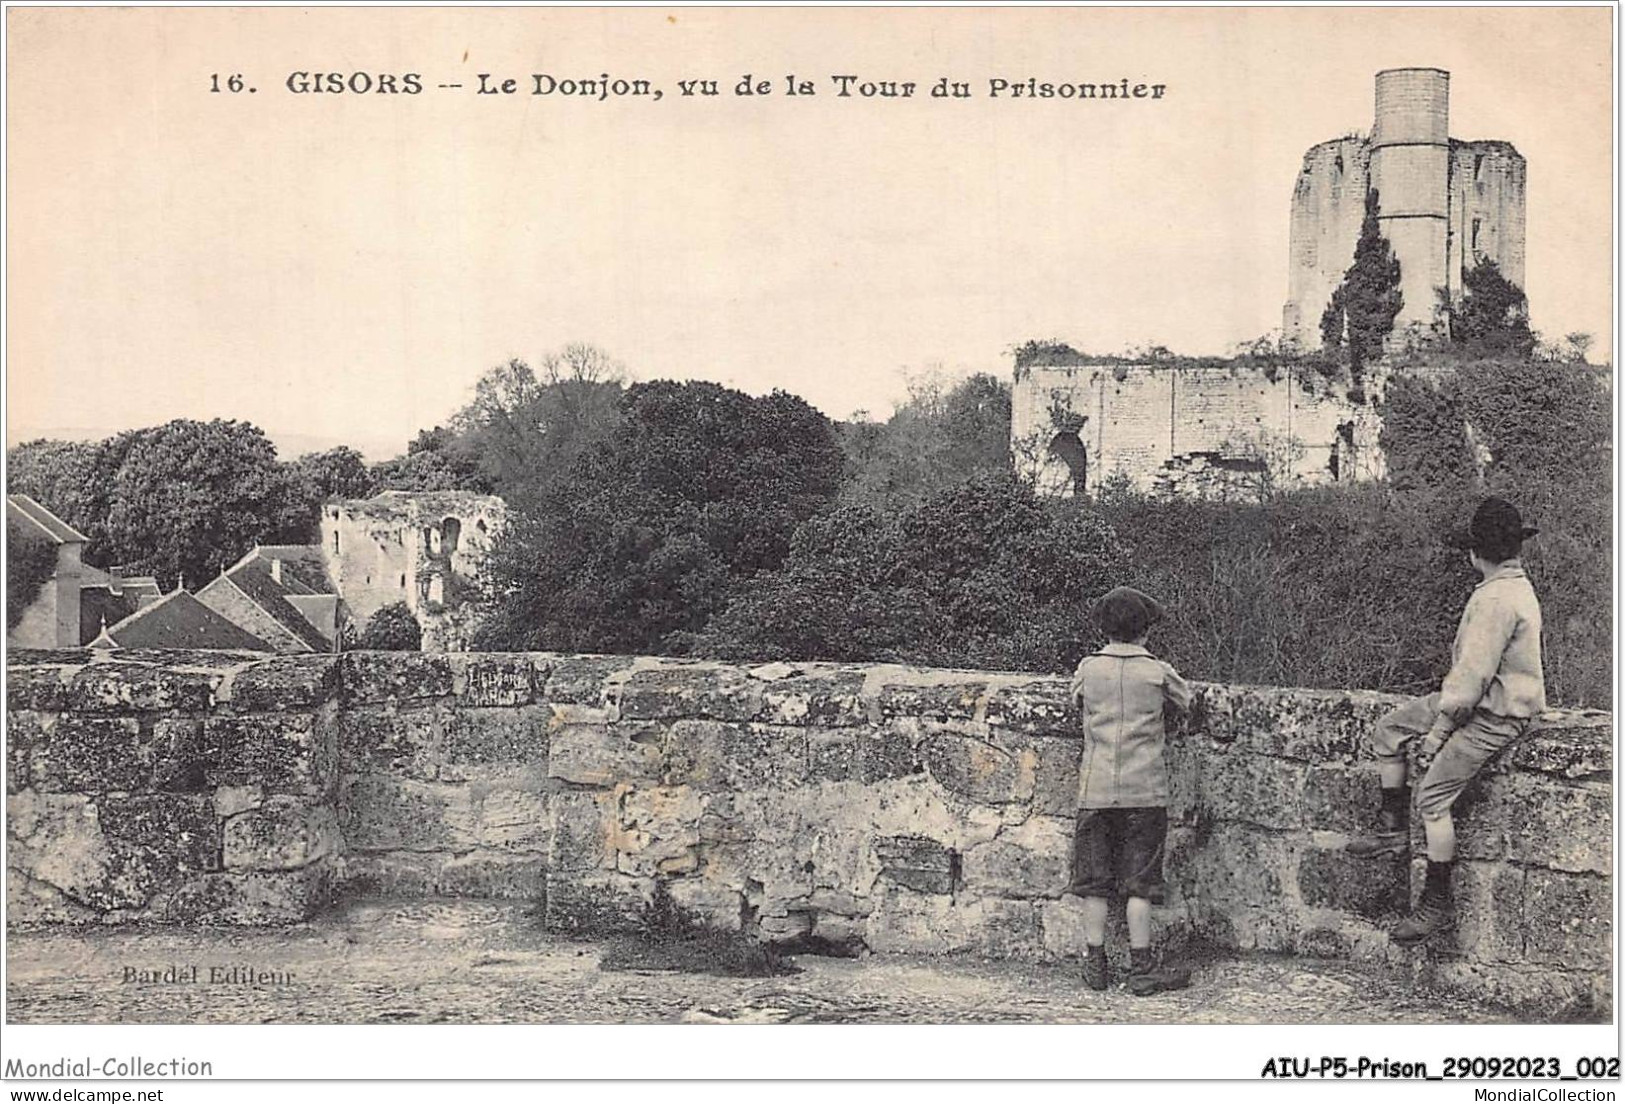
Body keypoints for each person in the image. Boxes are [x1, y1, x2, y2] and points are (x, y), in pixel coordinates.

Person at [1345, 497, 1545, 945]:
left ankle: (1437, 901)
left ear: (1477, 553)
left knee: (1432, 797)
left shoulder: (1495, 600)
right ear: (1515, 550)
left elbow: (1471, 681)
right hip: (1483, 701)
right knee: (1390, 730)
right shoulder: (1515, 588)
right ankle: (1391, 830)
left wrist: (1437, 734)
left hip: (1495, 714)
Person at [1068, 584, 1192, 995]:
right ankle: (1141, 966)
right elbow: (1187, 703)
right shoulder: (1157, 671)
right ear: (1146, 630)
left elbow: (1075, 700)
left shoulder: (1088, 668)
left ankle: (1095, 961)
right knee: (1141, 882)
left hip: (1096, 789)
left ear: (1104, 627)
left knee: (1095, 881)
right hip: (1145, 791)